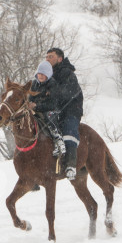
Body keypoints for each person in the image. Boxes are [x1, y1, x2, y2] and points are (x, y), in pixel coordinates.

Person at [45, 47, 83, 180]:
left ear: (60, 59)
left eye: (51, 56)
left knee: (69, 131)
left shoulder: (67, 73)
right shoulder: (46, 75)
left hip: (71, 109)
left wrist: (52, 92)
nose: (47, 59)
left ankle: (70, 164)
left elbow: (68, 92)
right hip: (53, 110)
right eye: (47, 57)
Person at [28, 61, 66, 158]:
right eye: (39, 74)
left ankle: (58, 139)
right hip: (36, 110)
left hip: (51, 109)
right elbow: (30, 98)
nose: (40, 76)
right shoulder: (34, 84)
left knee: (48, 116)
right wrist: (29, 104)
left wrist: (37, 105)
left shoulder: (52, 84)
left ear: (48, 74)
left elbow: (52, 103)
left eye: (43, 74)